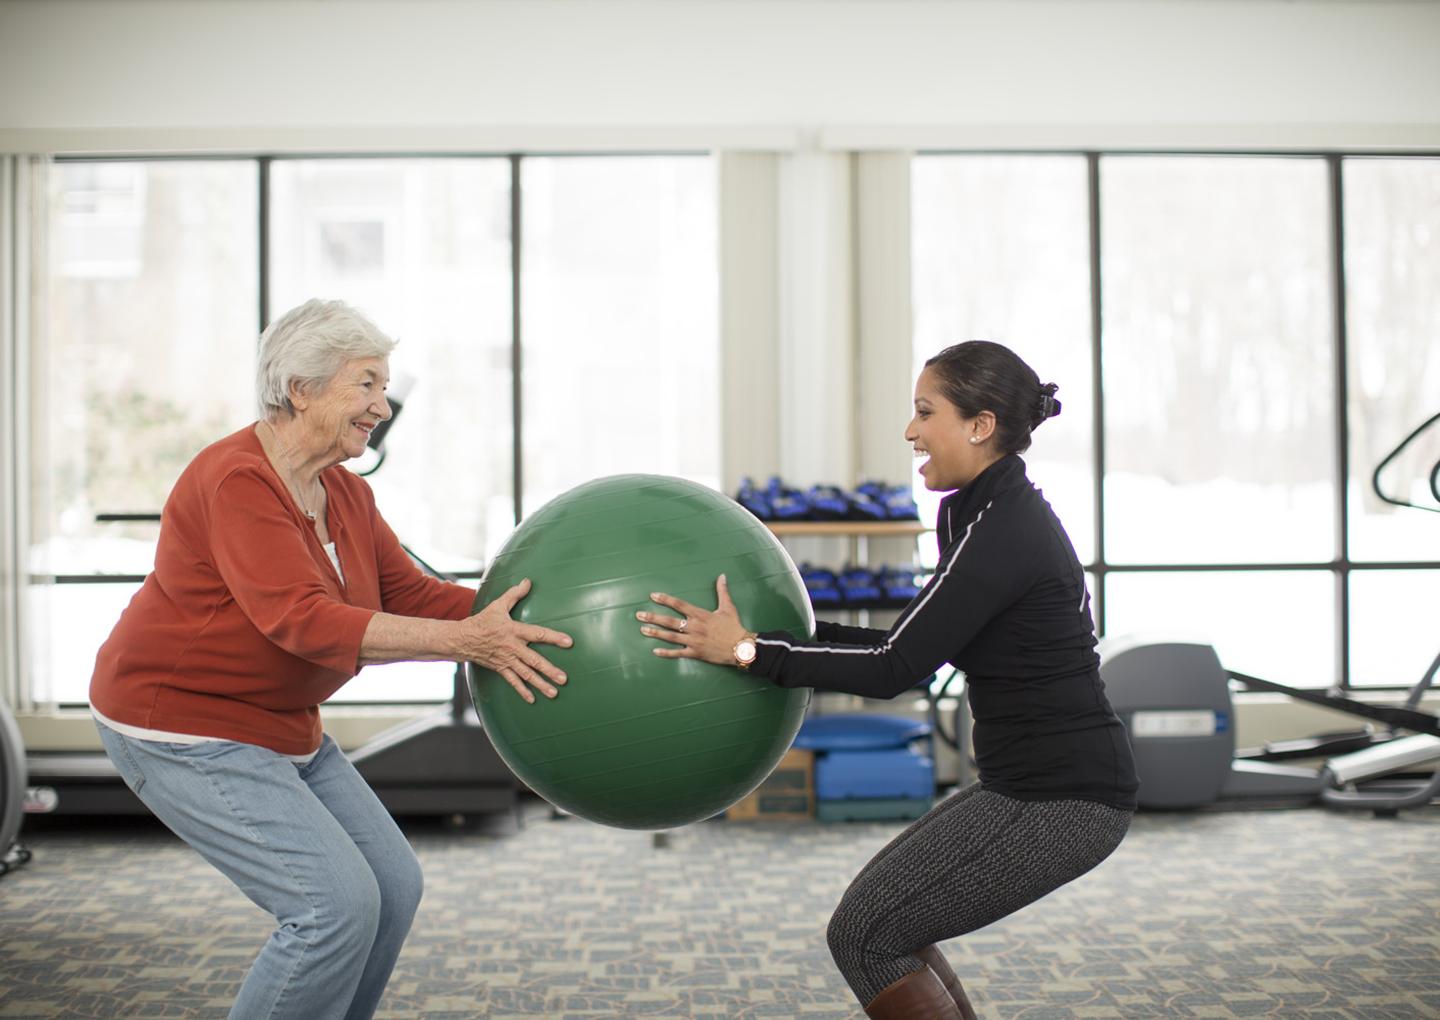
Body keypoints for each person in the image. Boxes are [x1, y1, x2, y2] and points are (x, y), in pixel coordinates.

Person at [89, 298, 573, 1020]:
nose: (382, 404)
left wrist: (526, 616)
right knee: (333, 909)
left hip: (280, 723)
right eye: (367, 384)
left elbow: (408, 590)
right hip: (183, 727)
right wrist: (468, 644)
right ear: (302, 389)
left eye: (384, 386)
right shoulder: (236, 481)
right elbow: (302, 622)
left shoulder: (341, 489)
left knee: (393, 886)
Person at [638, 340, 1139, 1019]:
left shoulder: (1004, 528)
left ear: (980, 425)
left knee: (867, 936)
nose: (911, 431)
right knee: (879, 927)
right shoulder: (976, 511)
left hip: (1063, 799)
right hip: (1023, 786)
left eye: (925, 412)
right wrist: (765, 636)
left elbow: (893, 670)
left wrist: (754, 654)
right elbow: (906, 642)